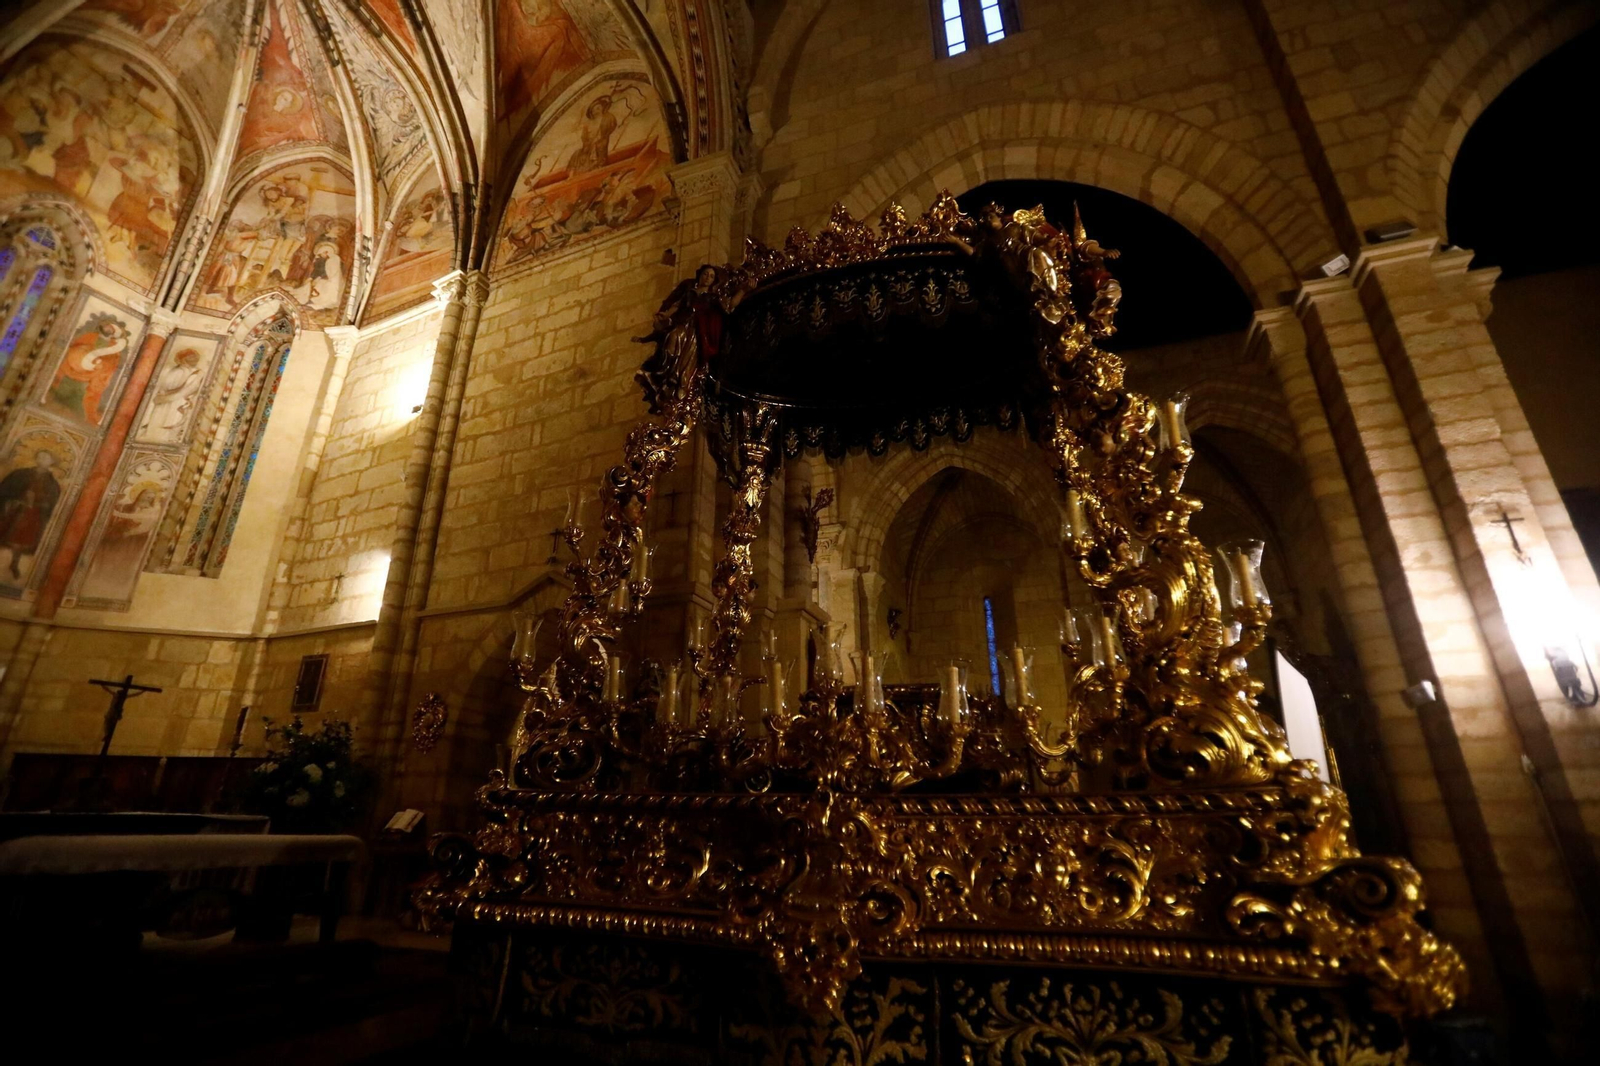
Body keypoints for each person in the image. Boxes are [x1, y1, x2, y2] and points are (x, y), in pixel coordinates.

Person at [634, 265, 754, 414]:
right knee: (672, 337)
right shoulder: (690, 293)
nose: (707, 278)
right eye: (705, 274)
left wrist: (743, 290)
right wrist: (665, 315)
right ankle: (666, 371)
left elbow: (729, 305)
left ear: (713, 281)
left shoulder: (713, 298)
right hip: (684, 324)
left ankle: (678, 378)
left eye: (711, 276)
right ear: (700, 275)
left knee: (688, 358)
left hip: (698, 332)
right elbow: (676, 307)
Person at [0, 448, 62, 581]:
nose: (42, 459)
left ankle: (14, 564)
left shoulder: (52, 483)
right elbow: (6, 489)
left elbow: (53, 502)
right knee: (5, 532)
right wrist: (16, 499)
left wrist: (40, 502)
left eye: (46, 457)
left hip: (33, 515)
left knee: (22, 540)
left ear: (52, 462)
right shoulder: (21, 474)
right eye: (40, 456)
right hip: (15, 510)